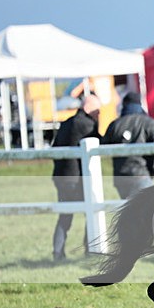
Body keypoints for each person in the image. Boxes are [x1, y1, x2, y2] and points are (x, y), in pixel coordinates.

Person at [51, 95, 101, 261]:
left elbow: (54, 148)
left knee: (65, 215)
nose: (99, 115)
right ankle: (90, 250)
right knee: (91, 213)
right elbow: (100, 144)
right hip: (77, 178)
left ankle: (57, 252)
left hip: (60, 177)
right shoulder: (87, 125)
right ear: (89, 109)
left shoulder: (66, 123)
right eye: (97, 111)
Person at [102, 92, 154, 200]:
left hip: (120, 178)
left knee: (127, 212)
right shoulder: (149, 122)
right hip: (141, 174)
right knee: (145, 210)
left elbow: (103, 148)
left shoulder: (115, 124)